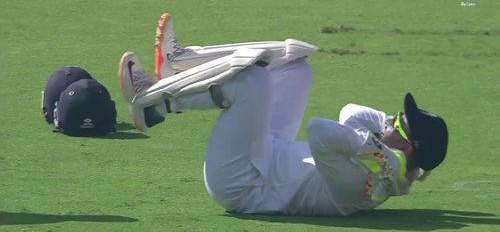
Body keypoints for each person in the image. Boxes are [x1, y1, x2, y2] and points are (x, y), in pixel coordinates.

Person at [117, 13, 448, 216]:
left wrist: (376, 152)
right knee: (296, 65)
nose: (390, 121)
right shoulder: (386, 162)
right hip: (269, 152)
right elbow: (352, 112)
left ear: (406, 147)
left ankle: (153, 105)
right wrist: (390, 154)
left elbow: (320, 132)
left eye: (398, 125)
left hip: (241, 185)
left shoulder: (365, 186)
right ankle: (181, 62)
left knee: (252, 80)